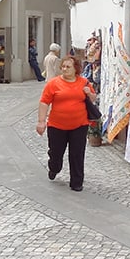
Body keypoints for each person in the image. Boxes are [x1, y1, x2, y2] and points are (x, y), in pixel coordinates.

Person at [36, 56, 96, 191]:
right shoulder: (53, 84)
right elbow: (44, 102)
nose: (64, 69)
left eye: (68, 67)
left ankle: (76, 182)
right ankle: (54, 168)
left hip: (79, 124)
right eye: (63, 66)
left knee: (77, 154)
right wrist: (41, 121)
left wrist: (89, 93)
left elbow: (93, 98)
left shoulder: (84, 82)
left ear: (76, 69)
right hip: (57, 125)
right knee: (56, 153)